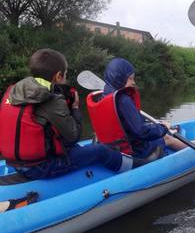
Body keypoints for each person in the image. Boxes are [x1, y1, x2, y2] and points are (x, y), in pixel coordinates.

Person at [0, 49, 138, 180]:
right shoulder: (52, 99)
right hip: (41, 168)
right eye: (65, 75)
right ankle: (136, 168)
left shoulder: (15, 91)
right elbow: (74, 136)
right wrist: (75, 107)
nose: (65, 78)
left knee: (80, 148)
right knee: (101, 150)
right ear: (58, 76)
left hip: (16, 164)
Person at [87, 57, 195, 161]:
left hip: (112, 146)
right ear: (121, 78)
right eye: (131, 78)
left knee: (156, 126)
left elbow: (126, 124)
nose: (133, 82)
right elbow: (141, 132)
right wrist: (162, 129)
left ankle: (169, 129)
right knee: (167, 138)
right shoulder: (123, 100)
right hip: (134, 151)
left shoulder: (103, 96)